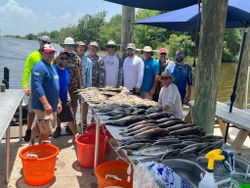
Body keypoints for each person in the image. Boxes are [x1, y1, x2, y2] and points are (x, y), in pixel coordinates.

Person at [22, 35, 51, 142]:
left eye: (47, 42)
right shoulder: (33, 56)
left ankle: (40, 133)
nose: (44, 43)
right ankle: (28, 130)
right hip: (35, 90)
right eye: (43, 41)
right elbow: (26, 71)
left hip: (47, 90)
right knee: (31, 111)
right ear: (39, 42)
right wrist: (25, 86)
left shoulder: (50, 56)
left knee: (44, 114)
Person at [31, 44, 62, 143]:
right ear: (42, 53)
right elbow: (37, 86)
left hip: (52, 104)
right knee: (46, 132)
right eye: (48, 53)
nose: (51, 55)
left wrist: (58, 101)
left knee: (41, 125)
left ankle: (31, 142)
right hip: (43, 106)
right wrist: (45, 103)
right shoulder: (39, 66)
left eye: (53, 52)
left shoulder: (51, 66)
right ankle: (42, 153)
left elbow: (54, 86)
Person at [52, 51, 77, 138]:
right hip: (54, 99)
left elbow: (65, 86)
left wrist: (68, 95)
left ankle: (75, 135)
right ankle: (76, 135)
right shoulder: (53, 70)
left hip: (64, 99)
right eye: (61, 58)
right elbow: (53, 87)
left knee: (69, 117)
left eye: (66, 58)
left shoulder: (67, 71)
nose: (64, 60)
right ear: (57, 58)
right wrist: (58, 100)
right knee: (69, 118)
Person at [62, 37, 83, 123]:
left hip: (74, 86)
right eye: (67, 45)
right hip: (63, 86)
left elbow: (79, 74)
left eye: (71, 45)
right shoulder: (60, 57)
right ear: (64, 46)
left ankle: (72, 123)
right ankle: (58, 127)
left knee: (74, 105)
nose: (69, 47)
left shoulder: (77, 58)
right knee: (61, 105)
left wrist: (81, 87)